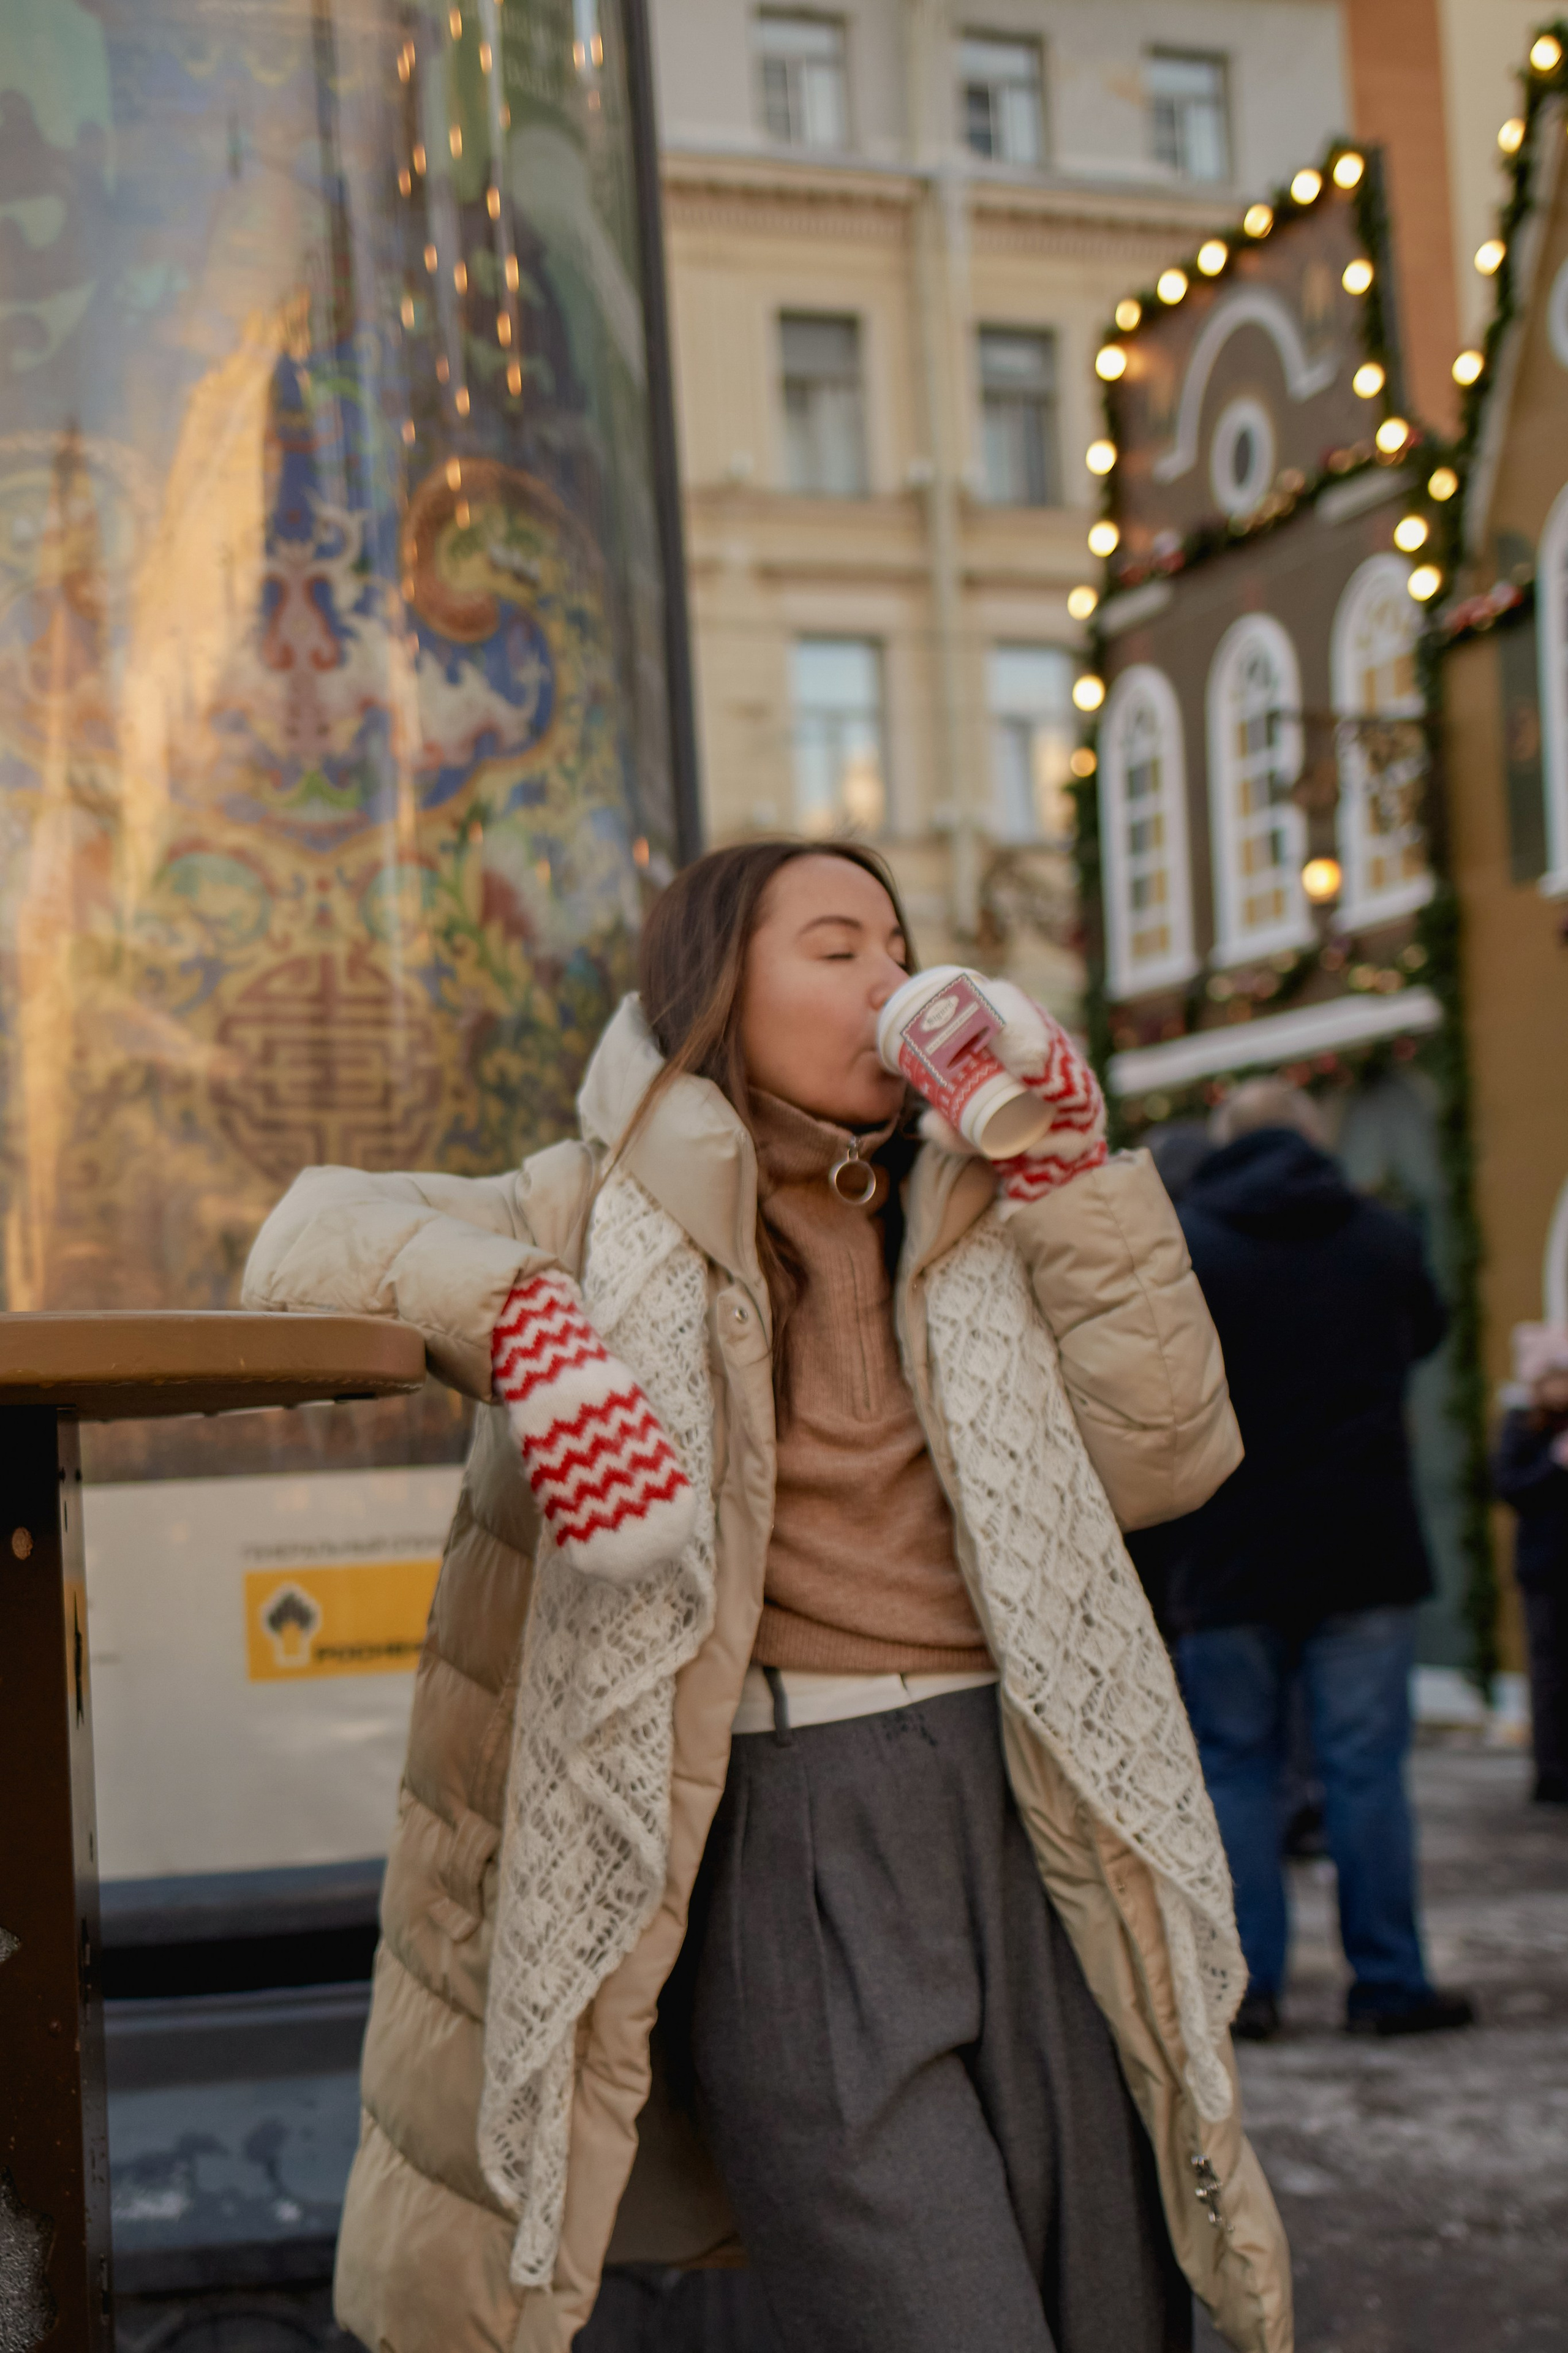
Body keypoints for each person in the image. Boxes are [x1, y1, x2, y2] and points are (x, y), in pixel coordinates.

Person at [243, 842, 1292, 2353]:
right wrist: (528, 1323)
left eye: (900, 945)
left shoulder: (980, 1207)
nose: (890, 978)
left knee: (1117, 2308)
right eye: (835, 944)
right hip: (785, 1827)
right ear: (714, 990)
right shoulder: (582, 1208)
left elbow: (1169, 1456)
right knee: (937, 2314)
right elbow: (304, 1237)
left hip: (1040, 1800)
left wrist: (1067, 1170)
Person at [1136, 1078, 1472, 2043]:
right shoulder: (1380, 1238)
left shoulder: (1186, 1246)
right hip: (1362, 1548)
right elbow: (1428, 1331)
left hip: (1227, 1552)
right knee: (1365, 1772)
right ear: (1316, 1139)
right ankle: (1389, 1983)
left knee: (1238, 1769)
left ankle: (1253, 1990)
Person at [1493, 1324, 1568, 1805]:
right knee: (1549, 1673)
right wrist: (1554, 1464)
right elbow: (1509, 1487)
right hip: (1544, 1568)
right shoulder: (1522, 1427)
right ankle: (1552, 1770)